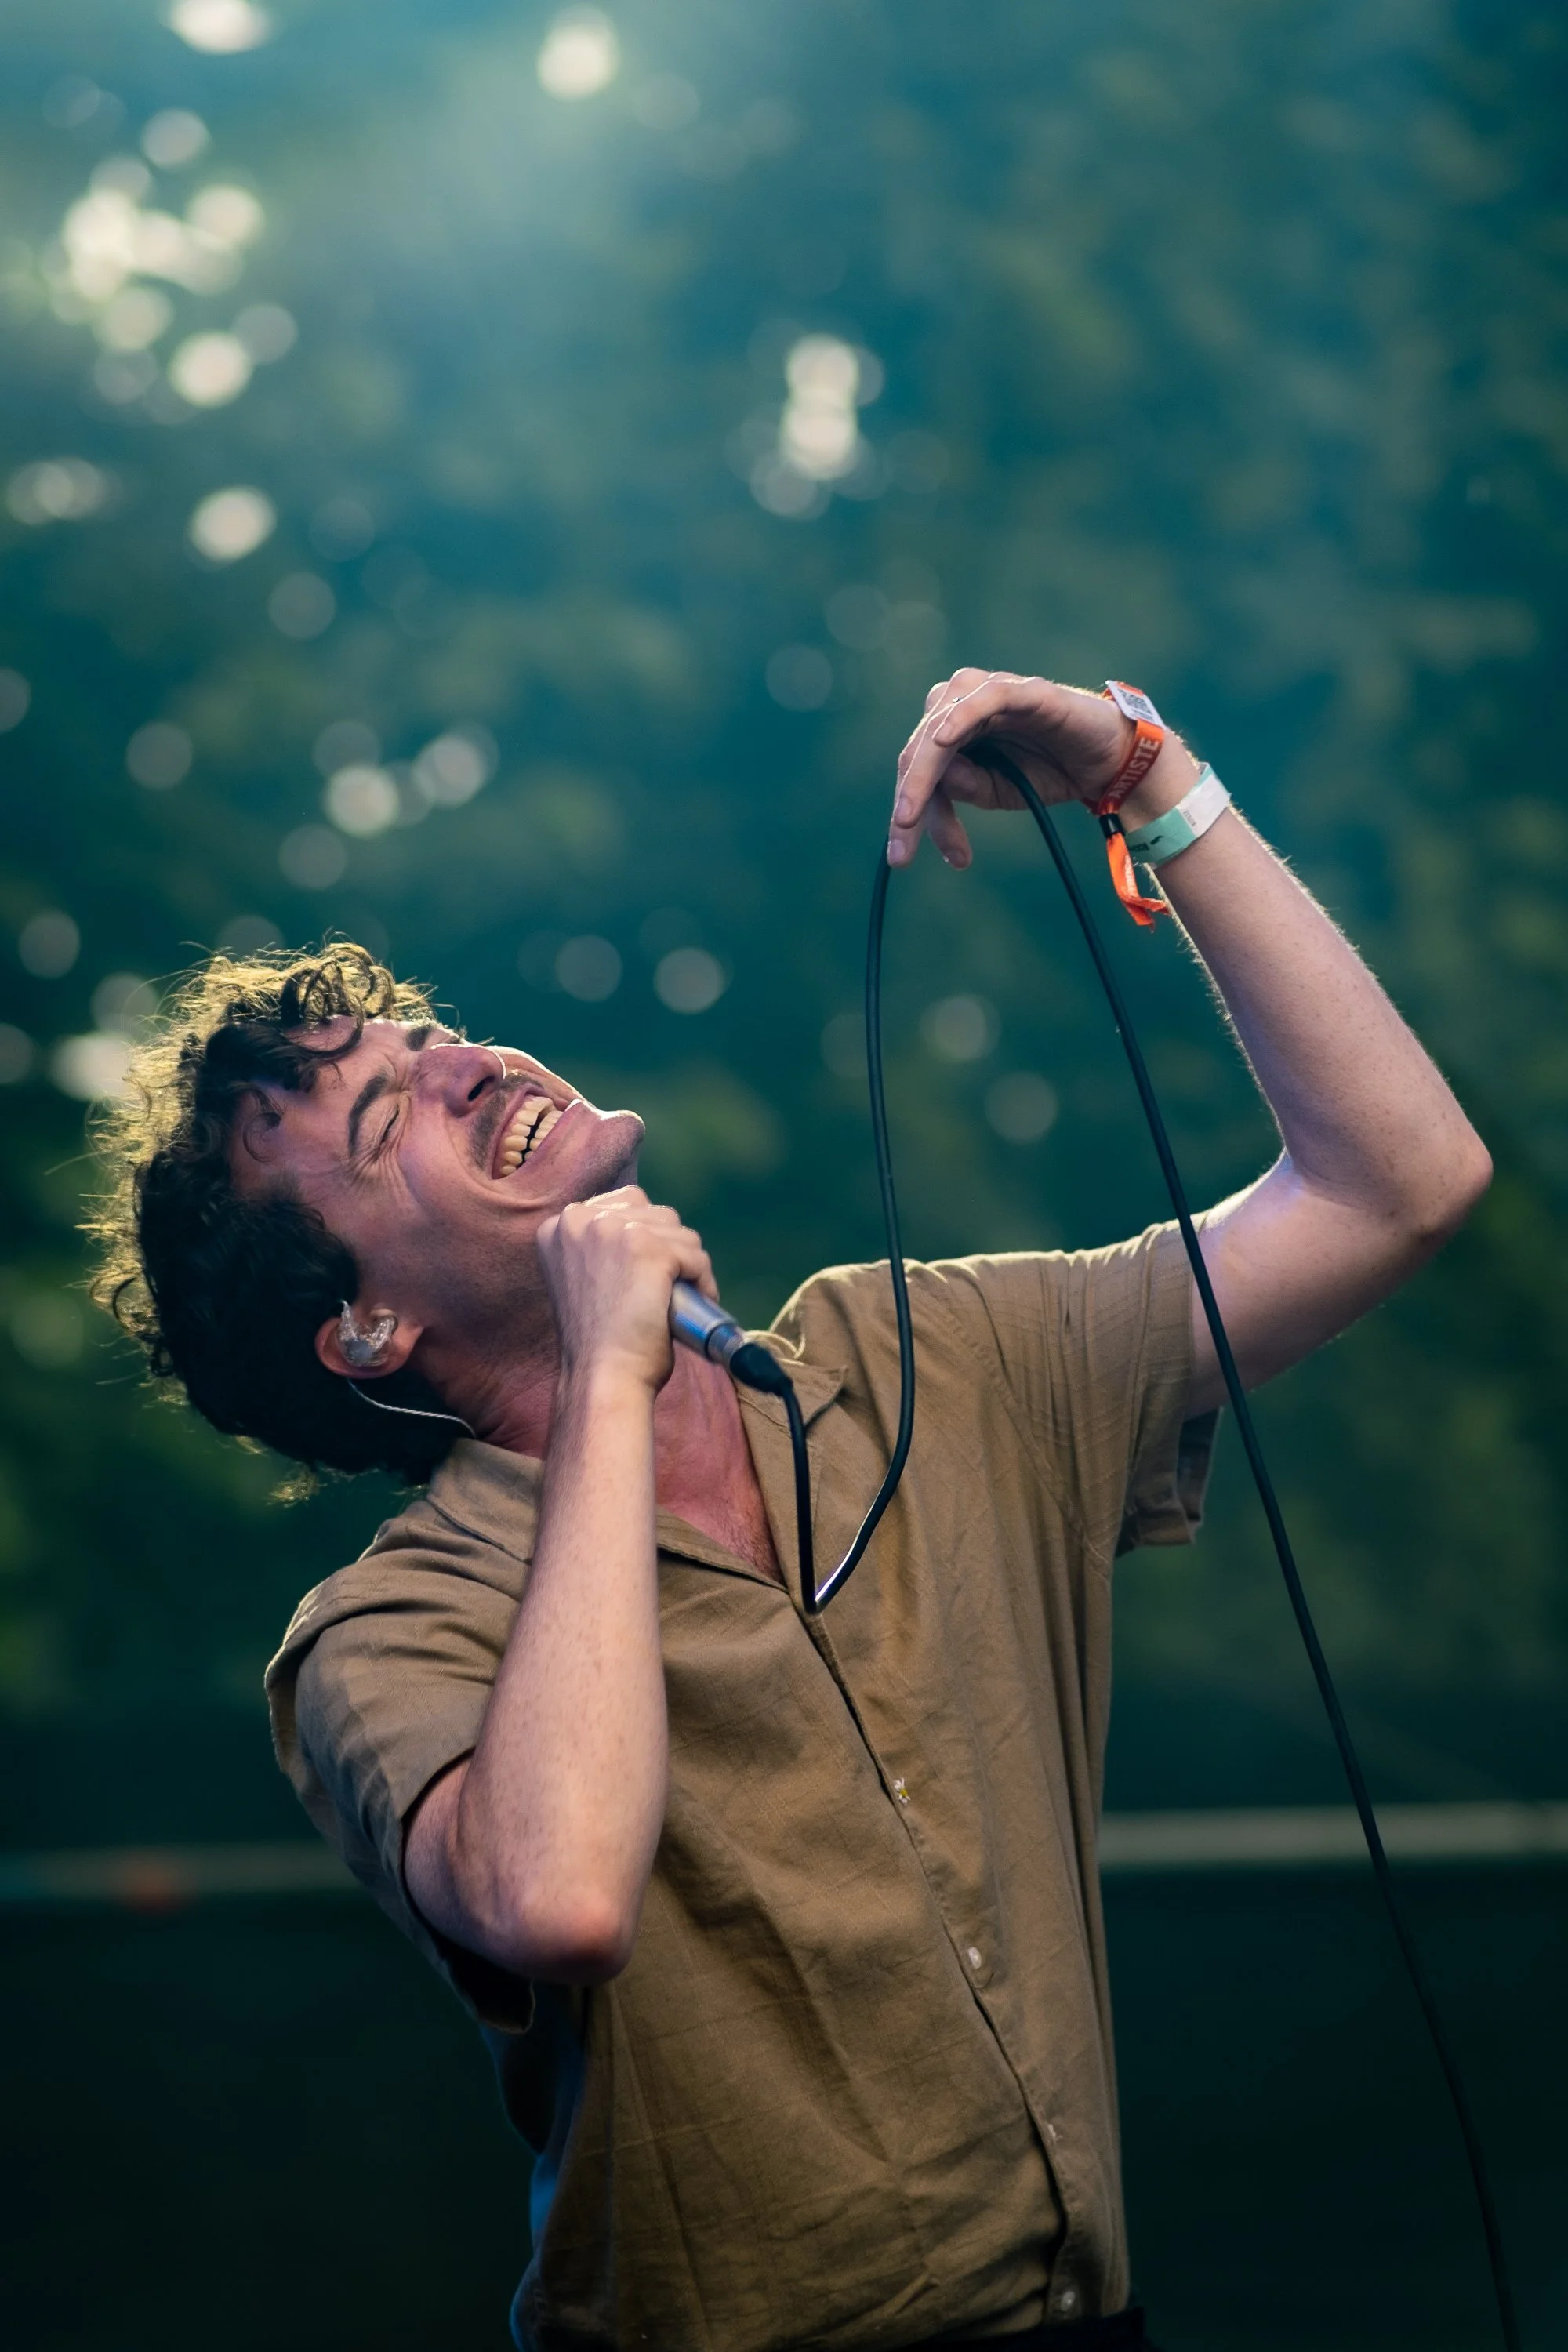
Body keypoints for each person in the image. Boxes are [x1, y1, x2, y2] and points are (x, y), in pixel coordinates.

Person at [91, 671, 1490, 2352]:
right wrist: (606, 1381)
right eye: (392, 1116)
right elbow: (560, 1899)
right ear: (369, 1332)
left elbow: (1395, 1183)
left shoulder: (927, 1361)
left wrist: (1145, 775)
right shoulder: (388, 1637)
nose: (465, 1064)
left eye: (424, 1038)